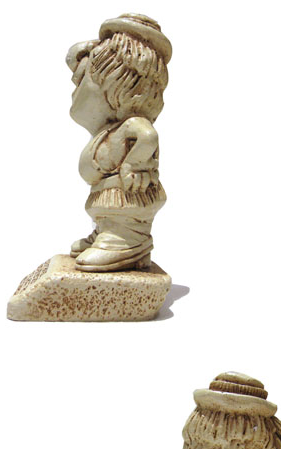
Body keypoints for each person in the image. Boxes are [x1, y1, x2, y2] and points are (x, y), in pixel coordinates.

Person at [66, 14, 171, 271]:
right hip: (108, 203)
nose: (75, 83)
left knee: (122, 215)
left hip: (127, 204)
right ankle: (104, 231)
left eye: (83, 78)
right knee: (107, 211)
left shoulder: (131, 127)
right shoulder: (111, 131)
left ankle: (127, 240)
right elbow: (72, 59)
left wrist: (134, 164)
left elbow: (148, 135)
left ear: (115, 88)